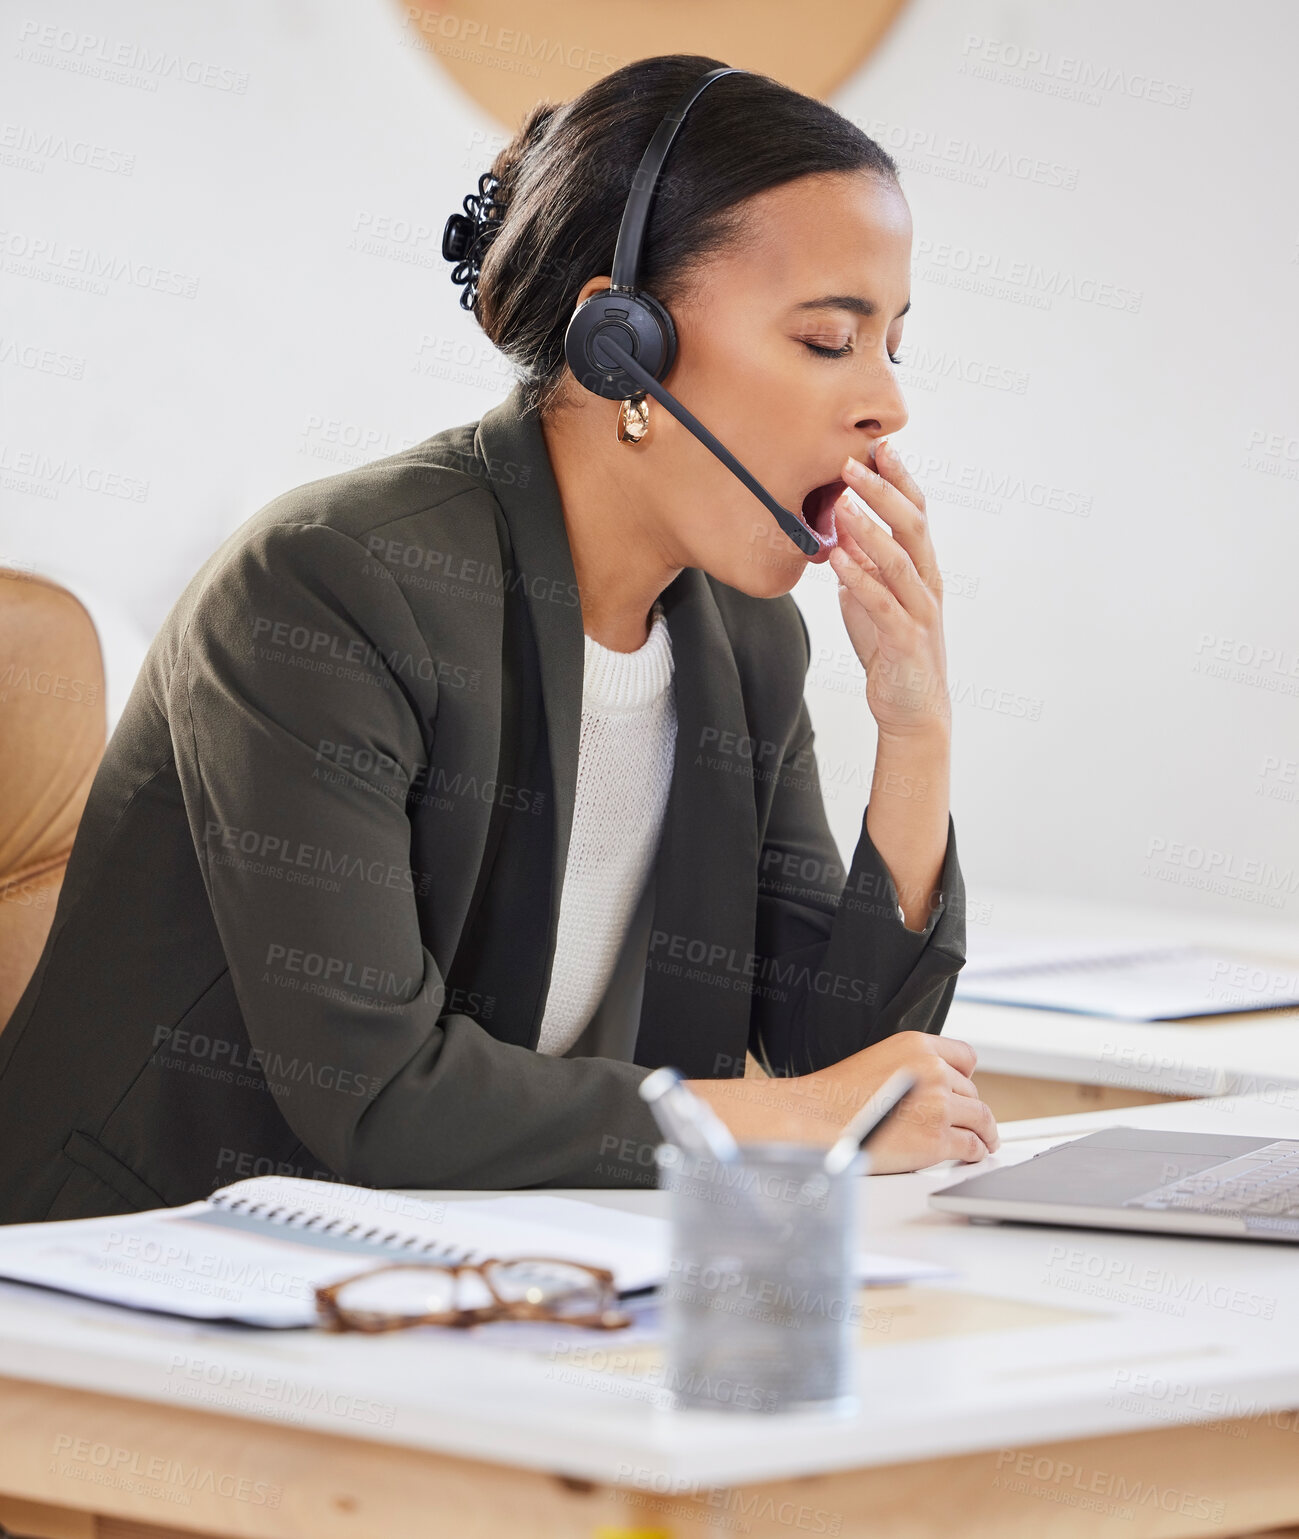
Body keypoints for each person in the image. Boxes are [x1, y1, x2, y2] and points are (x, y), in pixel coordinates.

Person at [0, 54, 996, 1225]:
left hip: (463, 1265)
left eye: (894, 346)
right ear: (620, 346)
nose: (886, 401)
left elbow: (851, 1057)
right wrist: (806, 1117)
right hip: (131, 1278)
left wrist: (914, 725)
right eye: (830, 339)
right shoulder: (328, 587)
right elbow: (379, 1098)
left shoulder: (742, 634)